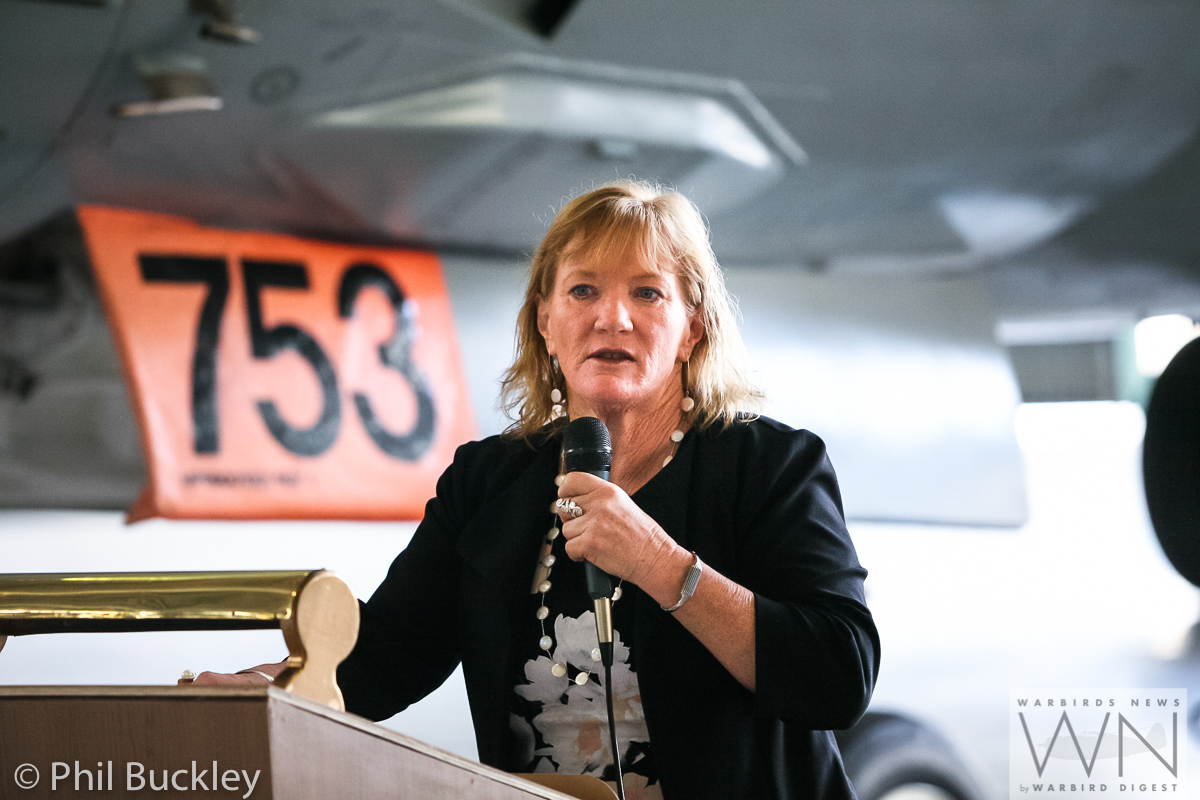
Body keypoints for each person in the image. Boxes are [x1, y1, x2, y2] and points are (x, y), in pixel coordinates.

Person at [190, 181, 880, 799]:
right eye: (583, 290)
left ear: (692, 326)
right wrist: (266, 693)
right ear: (546, 323)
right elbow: (385, 659)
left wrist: (662, 566)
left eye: (647, 292)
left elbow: (838, 675)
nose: (614, 317)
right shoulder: (488, 482)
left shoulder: (770, 466)